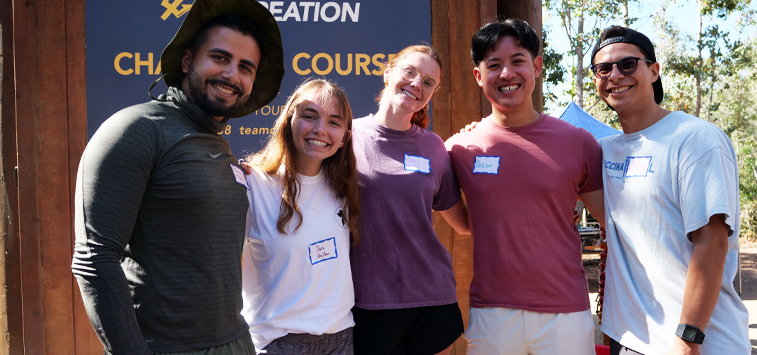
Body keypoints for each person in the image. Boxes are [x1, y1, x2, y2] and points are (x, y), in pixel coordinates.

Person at [71, 0, 284, 353]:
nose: (233, 74)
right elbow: (94, 259)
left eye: (246, 67)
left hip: (236, 341)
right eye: (220, 57)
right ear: (187, 62)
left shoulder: (216, 143)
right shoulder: (136, 130)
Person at [444, 19, 605, 354]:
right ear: (478, 76)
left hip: (565, 313)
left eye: (517, 61)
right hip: (492, 313)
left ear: (536, 67)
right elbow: (462, 224)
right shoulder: (460, 148)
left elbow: (611, 223)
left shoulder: (578, 143)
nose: (507, 74)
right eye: (494, 65)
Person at [590, 25, 750, 355]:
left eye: (628, 64)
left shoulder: (695, 139)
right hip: (631, 340)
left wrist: (688, 336)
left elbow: (713, 241)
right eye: (603, 68)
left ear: (653, 70)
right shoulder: (601, 151)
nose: (615, 75)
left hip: (700, 343)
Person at [349, 44, 470, 355]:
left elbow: (464, 224)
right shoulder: (347, 137)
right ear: (388, 72)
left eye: (429, 82)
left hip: (432, 300)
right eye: (410, 72)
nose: (417, 84)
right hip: (368, 302)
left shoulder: (433, 147)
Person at [239, 79, 360, 354]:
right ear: (289, 119)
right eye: (310, 116)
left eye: (334, 122)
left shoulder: (343, 188)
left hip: (340, 339)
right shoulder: (252, 185)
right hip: (276, 341)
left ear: (344, 137)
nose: (320, 129)